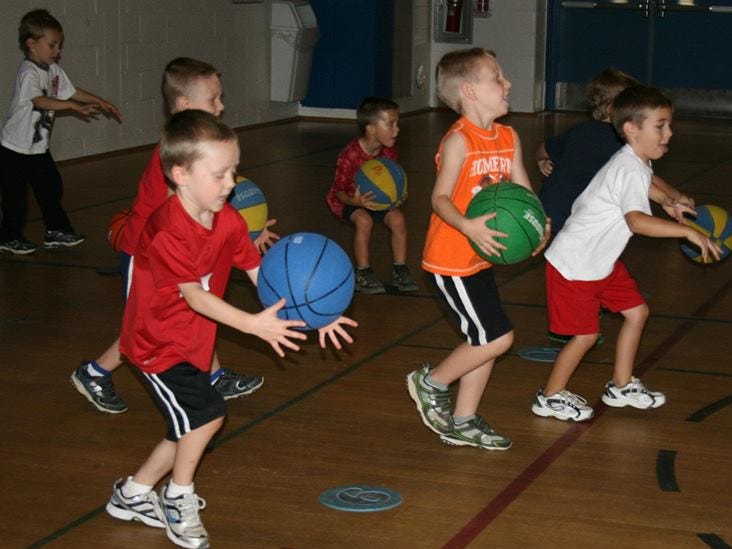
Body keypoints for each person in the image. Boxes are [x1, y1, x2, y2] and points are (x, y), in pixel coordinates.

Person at [106, 110, 356, 548]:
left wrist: (314, 312)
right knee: (208, 415)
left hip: (192, 344)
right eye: (220, 174)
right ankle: (179, 497)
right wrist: (253, 326)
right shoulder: (167, 230)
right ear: (180, 174)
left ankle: (132, 494)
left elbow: (259, 271)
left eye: (234, 172)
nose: (231, 184)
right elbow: (194, 295)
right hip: (155, 346)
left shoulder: (227, 220)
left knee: (185, 427)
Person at [72, 58, 275, 414]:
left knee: (195, 312)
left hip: (177, 251)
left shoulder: (199, 155)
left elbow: (206, 219)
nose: (221, 106)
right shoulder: (174, 163)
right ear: (184, 105)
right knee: (149, 330)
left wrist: (243, 237)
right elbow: (184, 218)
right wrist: (235, 237)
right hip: (145, 254)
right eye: (213, 99)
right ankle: (94, 371)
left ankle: (212, 376)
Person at [531, 85, 722, 422]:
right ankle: (550, 396)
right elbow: (636, 221)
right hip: (575, 265)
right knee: (586, 335)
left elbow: (643, 186)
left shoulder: (633, 161)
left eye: (669, 125)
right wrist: (687, 231)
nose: (669, 133)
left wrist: (668, 201)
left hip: (600, 262)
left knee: (637, 312)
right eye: (660, 126)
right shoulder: (629, 166)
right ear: (632, 129)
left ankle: (621, 386)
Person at [407, 48, 548, 450]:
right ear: (469, 90)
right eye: (497, 77)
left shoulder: (508, 136)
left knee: (484, 337)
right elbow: (439, 199)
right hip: (449, 261)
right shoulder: (458, 141)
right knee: (496, 338)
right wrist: (467, 224)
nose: (507, 84)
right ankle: (431, 381)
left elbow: (523, 191)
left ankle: (464, 420)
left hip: (480, 259)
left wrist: (539, 224)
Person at [536, 67, 695, 344]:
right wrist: (674, 196)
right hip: (569, 214)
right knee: (578, 269)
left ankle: (580, 318)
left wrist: (542, 161)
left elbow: (544, 148)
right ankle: (575, 328)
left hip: (551, 204)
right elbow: (644, 179)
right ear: (616, 111)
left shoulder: (581, 131)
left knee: (589, 264)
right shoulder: (613, 140)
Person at [0, 9, 121, 255]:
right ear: (32, 44)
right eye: (52, 45)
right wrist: (72, 107)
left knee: (51, 185)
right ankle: (9, 236)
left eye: (59, 45)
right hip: (14, 148)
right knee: (15, 197)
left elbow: (71, 91)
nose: (57, 51)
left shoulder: (52, 70)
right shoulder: (29, 72)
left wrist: (99, 101)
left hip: (36, 148)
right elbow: (39, 101)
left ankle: (56, 230)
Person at [325, 96, 417, 294]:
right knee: (364, 221)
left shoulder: (389, 154)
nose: (397, 129)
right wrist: (354, 201)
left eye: (397, 123)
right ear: (371, 128)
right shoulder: (350, 154)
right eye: (391, 124)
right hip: (346, 198)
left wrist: (399, 195)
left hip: (376, 200)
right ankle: (363, 272)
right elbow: (339, 190)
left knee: (398, 219)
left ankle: (400, 268)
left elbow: (394, 182)